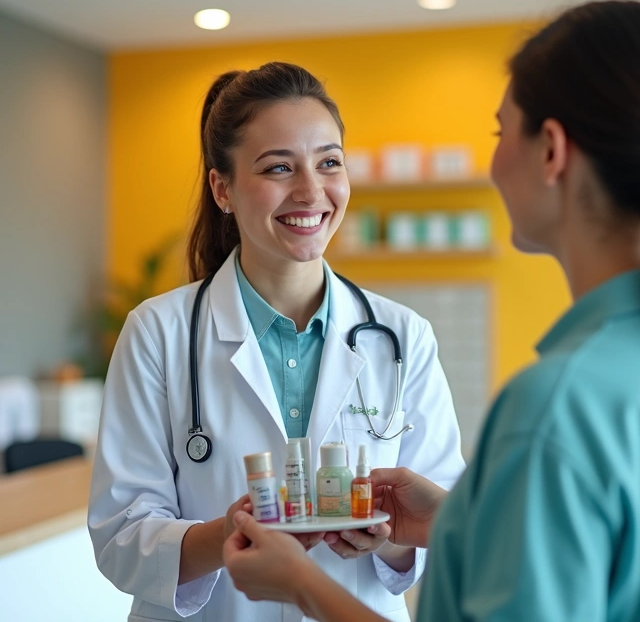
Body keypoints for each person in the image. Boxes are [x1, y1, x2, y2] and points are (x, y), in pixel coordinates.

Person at [223, 0, 640, 622]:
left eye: (500, 134)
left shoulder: (556, 407)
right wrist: (459, 519)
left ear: (550, 151)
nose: (495, 162)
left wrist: (304, 585)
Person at [88, 61, 465, 621]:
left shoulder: (403, 337)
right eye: (278, 168)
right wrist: (231, 534)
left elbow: (445, 531)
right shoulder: (157, 333)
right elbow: (121, 539)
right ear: (223, 188)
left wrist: (385, 537)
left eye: (329, 162)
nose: (311, 191)